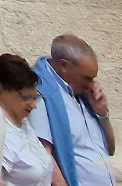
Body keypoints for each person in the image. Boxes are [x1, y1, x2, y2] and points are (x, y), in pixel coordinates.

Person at [0, 53, 67, 186]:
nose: (33, 105)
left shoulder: (19, 116)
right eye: (25, 97)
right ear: (2, 88)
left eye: (34, 97)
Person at [33, 35, 115, 186]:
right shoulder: (41, 92)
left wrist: (102, 114)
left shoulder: (85, 96)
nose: (92, 84)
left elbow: (110, 150)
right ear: (64, 66)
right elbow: (43, 154)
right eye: (87, 78)